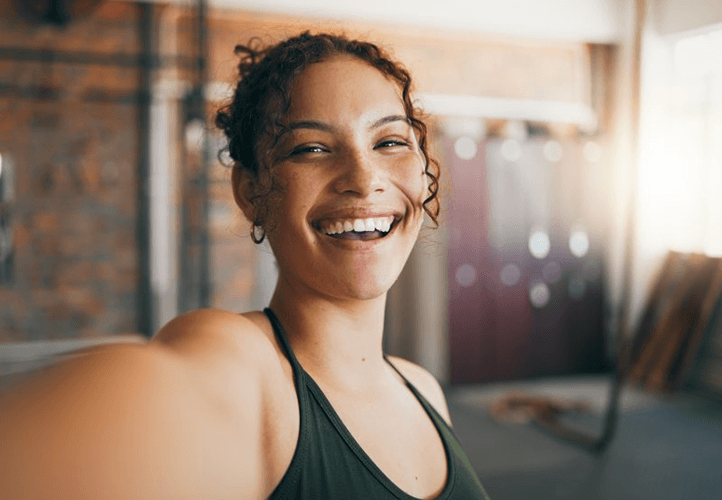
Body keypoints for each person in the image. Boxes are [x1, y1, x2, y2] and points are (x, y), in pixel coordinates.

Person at [0, 32, 490, 499]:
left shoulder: (422, 388)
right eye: (311, 149)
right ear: (252, 192)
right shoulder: (243, 372)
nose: (364, 181)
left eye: (390, 142)